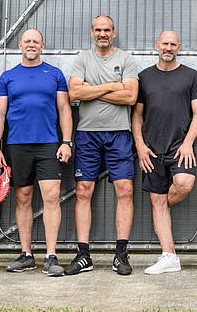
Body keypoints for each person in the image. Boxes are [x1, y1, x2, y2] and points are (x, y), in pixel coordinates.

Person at [0, 29, 73, 276]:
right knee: (23, 197)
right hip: (17, 145)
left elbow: (64, 109)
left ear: (42, 45)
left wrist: (66, 142)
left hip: (48, 143)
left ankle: (51, 256)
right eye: (27, 41)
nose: (31, 44)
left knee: (51, 196)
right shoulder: (8, 77)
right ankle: (26, 254)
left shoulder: (55, 74)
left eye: (36, 41)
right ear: (19, 44)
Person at [67, 15, 138, 276]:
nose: (102, 34)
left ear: (114, 32)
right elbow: (75, 93)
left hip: (119, 133)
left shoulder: (126, 59)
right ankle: (84, 254)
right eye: (98, 30)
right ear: (91, 32)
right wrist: (111, 86)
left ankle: (120, 254)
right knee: (83, 190)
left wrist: (92, 88)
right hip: (87, 134)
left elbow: (130, 96)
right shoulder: (82, 58)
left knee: (125, 191)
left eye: (107, 30)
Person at [132, 31, 197, 274]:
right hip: (151, 150)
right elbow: (137, 116)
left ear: (179, 47)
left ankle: (161, 213)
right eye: (165, 43)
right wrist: (140, 146)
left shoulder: (190, 76)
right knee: (156, 199)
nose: (169, 48)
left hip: (179, 148)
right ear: (157, 45)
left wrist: (187, 143)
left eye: (173, 44)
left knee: (183, 183)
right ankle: (169, 256)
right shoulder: (144, 77)